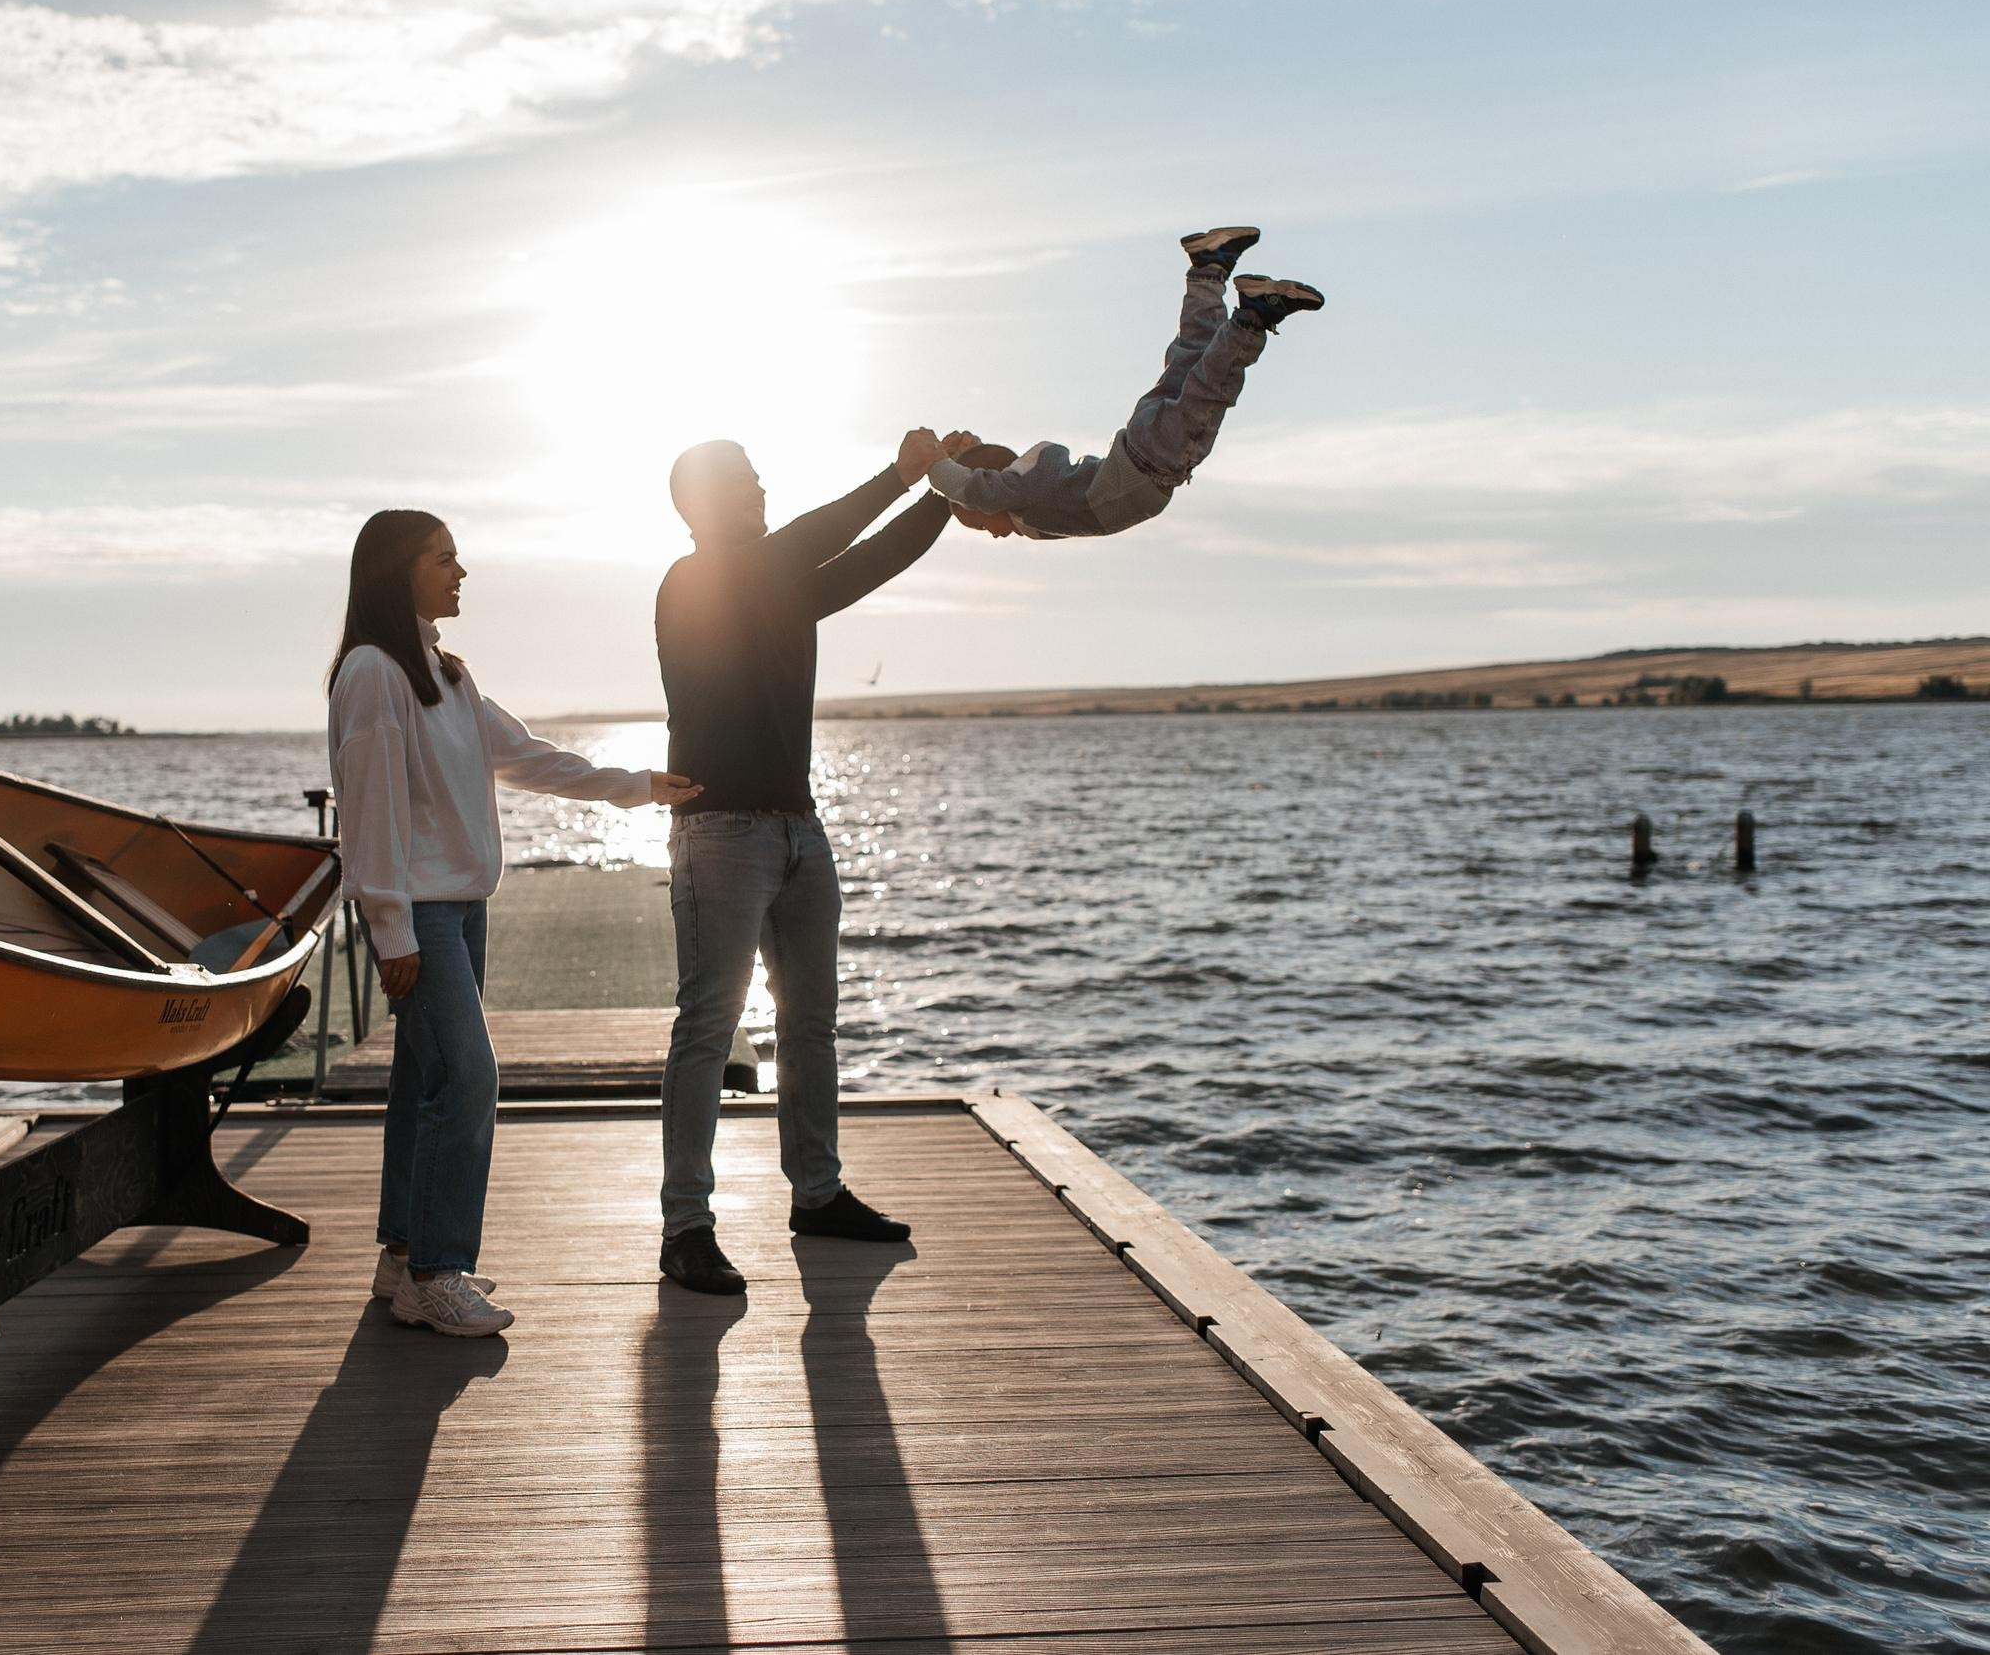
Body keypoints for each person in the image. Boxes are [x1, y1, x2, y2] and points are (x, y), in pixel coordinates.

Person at [329, 509, 700, 1336]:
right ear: (398, 570)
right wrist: (390, 927)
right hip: (421, 914)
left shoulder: (446, 674)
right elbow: (370, 808)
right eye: (444, 558)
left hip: (461, 909)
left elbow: (526, 756)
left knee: (424, 1083)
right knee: (469, 1077)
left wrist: (635, 785)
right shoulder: (372, 673)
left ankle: (404, 1256)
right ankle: (436, 1273)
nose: (461, 572)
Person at [652, 427, 952, 1295]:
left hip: (799, 832)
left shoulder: (782, 581)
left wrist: (951, 492)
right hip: (720, 834)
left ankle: (817, 1193)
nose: (761, 487)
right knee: (707, 1026)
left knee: (811, 1021)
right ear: (704, 503)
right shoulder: (692, 582)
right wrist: (901, 473)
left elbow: (873, 558)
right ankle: (685, 1225)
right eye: (745, 480)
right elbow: (819, 537)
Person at [928, 227, 1323, 541]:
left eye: (982, 524)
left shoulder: (1021, 495)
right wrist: (968, 452)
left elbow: (975, 489)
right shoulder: (1037, 500)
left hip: (1152, 463)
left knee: (1210, 391)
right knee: (1191, 357)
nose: (994, 535)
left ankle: (1252, 318)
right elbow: (987, 480)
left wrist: (933, 465)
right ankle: (1208, 268)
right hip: (1139, 445)